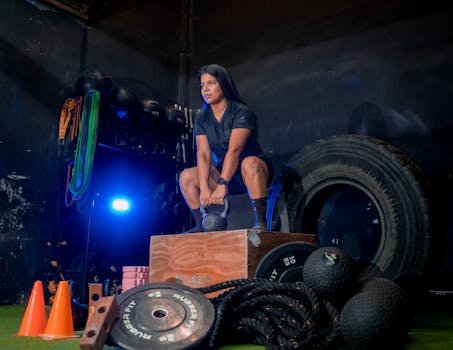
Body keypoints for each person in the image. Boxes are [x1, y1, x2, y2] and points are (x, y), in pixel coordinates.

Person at [179, 64, 273, 233]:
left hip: (252, 171)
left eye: (211, 83)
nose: (206, 89)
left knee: (249, 163)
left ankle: (261, 222)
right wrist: (205, 188)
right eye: (202, 85)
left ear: (223, 84)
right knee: (186, 177)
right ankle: (202, 225)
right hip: (224, 172)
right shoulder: (202, 119)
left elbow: (234, 151)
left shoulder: (241, 112)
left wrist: (222, 184)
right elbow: (204, 154)